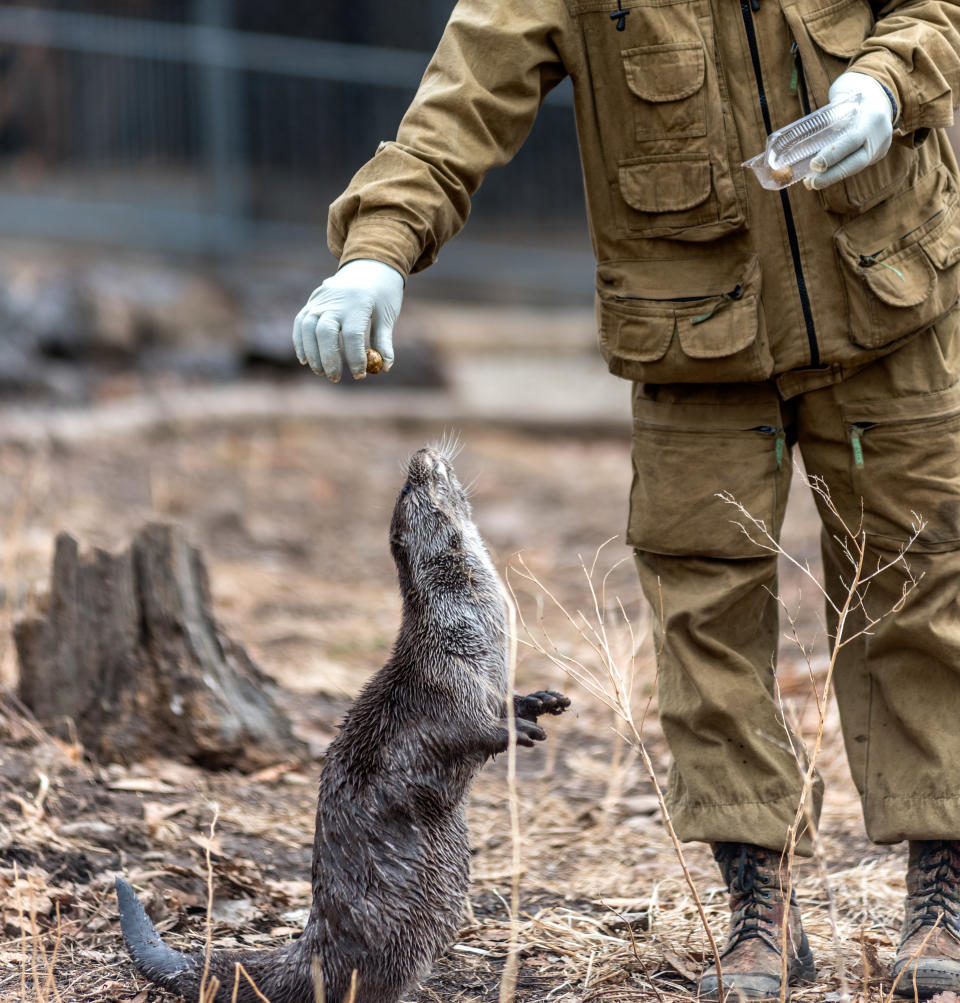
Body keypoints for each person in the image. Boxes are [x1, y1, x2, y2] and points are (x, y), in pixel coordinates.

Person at [291, 0, 960, 997]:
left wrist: (886, 81)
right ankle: (756, 907)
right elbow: (459, 104)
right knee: (706, 616)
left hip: (892, 302)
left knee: (924, 586)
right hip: (697, 341)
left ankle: (940, 895)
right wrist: (375, 250)